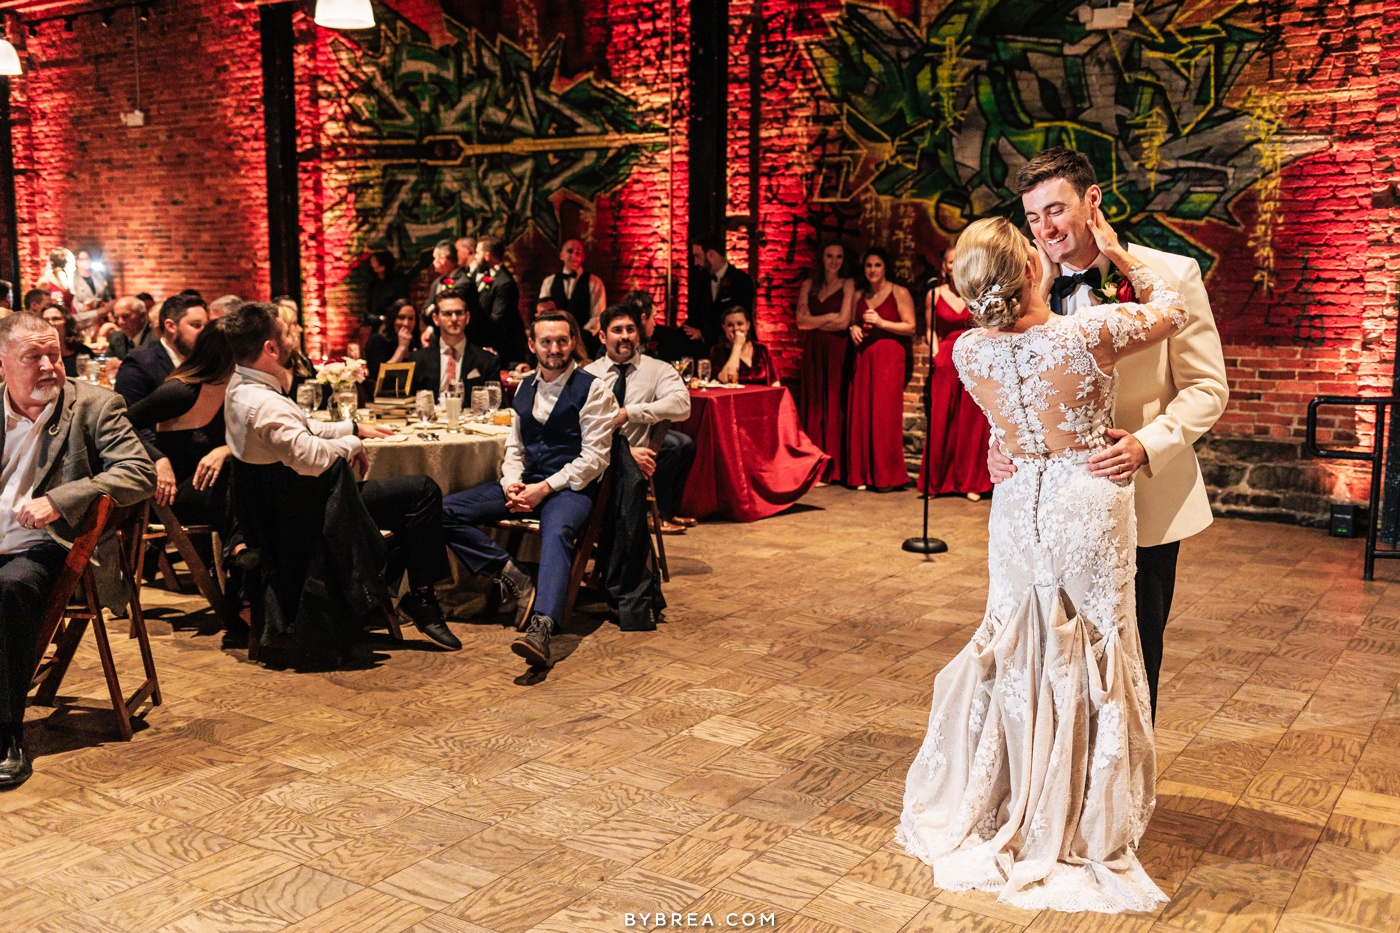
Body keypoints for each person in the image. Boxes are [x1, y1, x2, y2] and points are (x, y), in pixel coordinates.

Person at [897, 214, 1189, 913]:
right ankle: (1082, 813)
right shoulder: (1087, 334)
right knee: (1092, 651)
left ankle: (1014, 797)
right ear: (1030, 270)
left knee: (1022, 651)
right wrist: (1119, 251)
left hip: (1017, 505)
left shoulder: (968, 351)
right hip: (1086, 496)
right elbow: (1172, 310)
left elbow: (1008, 428)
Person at [996, 147, 1229, 716]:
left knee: (1131, 660)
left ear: (1092, 200)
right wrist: (1002, 447)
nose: (1045, 229)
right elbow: (1012, 390)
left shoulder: (1171, 275)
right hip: (1049, 510)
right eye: (1033, 217)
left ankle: (1122, 791)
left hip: (1139, 502)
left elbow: (1208, 388)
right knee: (1049, 656)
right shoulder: (1022, 290)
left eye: (1055, 210)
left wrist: (1147, 445)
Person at [222, 301, 461, 650]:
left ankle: (403, 592)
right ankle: (420, 599)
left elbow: (300, 427)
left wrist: (352, 426)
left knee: (406, 499)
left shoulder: (240, 387)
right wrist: (350, 444)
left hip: (278, 511)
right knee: (423, 491)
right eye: (287, 333)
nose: (293, 338)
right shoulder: (266, 405)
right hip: (306, 517)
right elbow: (310, 458)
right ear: (270, 348)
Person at [0, 313, 156, 789]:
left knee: (8, 589)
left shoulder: (95, 406)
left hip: (50, 546)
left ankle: (7, 734)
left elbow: (138, 472)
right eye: (33, 357)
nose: (49, 365)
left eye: (55, 354)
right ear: (2, 363)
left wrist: (60, 500)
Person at [440, 312, 617, 667]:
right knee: (442, 510)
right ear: (532, 344)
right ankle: (512, 574)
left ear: (572, 343)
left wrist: (544, 489)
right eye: (547, 342)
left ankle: (542, 626)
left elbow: (594, 459)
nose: (555, 348)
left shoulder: (593, 388)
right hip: (527, 483)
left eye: (562, 341)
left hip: (569, 489)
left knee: (557, 532)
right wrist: (512, 483)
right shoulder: (525, 387)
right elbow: (515, 449)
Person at [586, 302, 695, 534]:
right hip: (592, 462)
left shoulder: (659, 370)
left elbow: (682, 406)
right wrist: (619, 453)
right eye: (617, 330)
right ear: (603, 336)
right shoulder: (588, 375)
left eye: (631, 329)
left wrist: (630, 413)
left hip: (629, 471)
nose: (625, 336)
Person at [918, 240, 992, 501]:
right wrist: (936, 352)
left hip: (976, 358)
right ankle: (936, 483)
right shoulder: (934, 294)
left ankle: (971, 482)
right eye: (951, 262)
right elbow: (929, 327)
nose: (955, 266)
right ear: (945, 266)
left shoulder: (979, 292)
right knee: (941, 419)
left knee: (972, 422)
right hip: (947, 359)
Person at [844, 246, 915, 490]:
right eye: (868, 265)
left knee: (884, 416)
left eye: (877, 265)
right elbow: (854, 324)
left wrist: (883, 322)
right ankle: (861, 474)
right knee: (862, 413)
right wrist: (852, 328)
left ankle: (886, 476)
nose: (872, 270)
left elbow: (911, 327)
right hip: (864, 356)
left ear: (885, 268)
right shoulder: (859, 294)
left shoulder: (899, 292)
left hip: (889, 356)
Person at [796, 242, 854, 480]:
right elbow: (800, 321)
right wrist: (830, 315)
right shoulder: (809, 285)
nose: (834, 261)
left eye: (838, 257)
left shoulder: (848, 284)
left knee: (832, 403)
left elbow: (843, 323)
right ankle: (812, 466)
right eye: (829, 255)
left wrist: (815, 320)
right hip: (813, 350)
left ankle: (832, 468)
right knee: (814, 404)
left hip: (836, 350)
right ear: (821, 258)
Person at [114, 293, 209, 407]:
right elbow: (129, 420)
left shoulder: (206, 360)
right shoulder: (138, 364)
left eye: (206, 326)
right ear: (171, 326)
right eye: (196, 325)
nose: (205, 333)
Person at [409, 288, 500, 399]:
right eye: (447, 314)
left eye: (459, 313)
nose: (454, 319)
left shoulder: (487, 361)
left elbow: (495, 406)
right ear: (436, 319)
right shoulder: (418, 360)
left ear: (467, 317)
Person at [687, 234, 755, 350]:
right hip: (708, 350)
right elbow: (696, 316)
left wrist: (703, 333)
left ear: (711, 254)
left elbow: (739, 319)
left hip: (737, 349)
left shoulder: (741, 280)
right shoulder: (702, 282)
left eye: (697, 256)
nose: (695, 262)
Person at [539, 239, 607, 347]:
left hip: (585, 342)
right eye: (570, 251)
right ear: (561, 255)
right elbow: (543, 312)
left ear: (583, 257)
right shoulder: (549, 281)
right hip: (554, 342)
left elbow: (598, 317)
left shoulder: (595, 282)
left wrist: (579, 337)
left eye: (578, 252)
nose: (574, 256)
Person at [473, 236, 528, 365]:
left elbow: (498, 319)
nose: (475, 257)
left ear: (487, 256)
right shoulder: (488, 275)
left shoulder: (504, 282)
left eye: (477, 253)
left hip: (503, 347)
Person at [710, 307, 778, 386]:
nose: (735, 329)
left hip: (763, 397)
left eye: (740, 324)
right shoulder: (717, 351)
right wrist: (737, 346)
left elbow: (775, 383)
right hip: (734, 397)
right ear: (724, 328)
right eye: (730, 325)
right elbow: (726, 379)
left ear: (748, 325)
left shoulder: (762, 349)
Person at [364, 299, 420, 392]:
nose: (406, 323)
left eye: (410, 319)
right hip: (384, 398)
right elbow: (381, 377)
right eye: (401, 317)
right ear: (393, 319)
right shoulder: (377, 340)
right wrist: (401, 348)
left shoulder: (414, 342)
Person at [39, 305, 92, 378]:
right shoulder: (38, 356)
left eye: (56, 319)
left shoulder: (83, 352)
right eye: (46, 320)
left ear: (67, 323)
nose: (51, 323)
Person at [106, 296, 159, 360]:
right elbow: (106, 363)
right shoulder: (116, 337)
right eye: (117, 318)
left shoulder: (156, 337)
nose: (120, 322)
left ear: (142, 315)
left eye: (125, 316)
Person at [366, 250, 410, 325]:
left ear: (383, 266)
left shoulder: (397, 283)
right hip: (375, 325)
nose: (371, 262)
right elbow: (369, 308)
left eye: (375, 260)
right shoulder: (374, 284)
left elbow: (402, 306)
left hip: (392, 325)